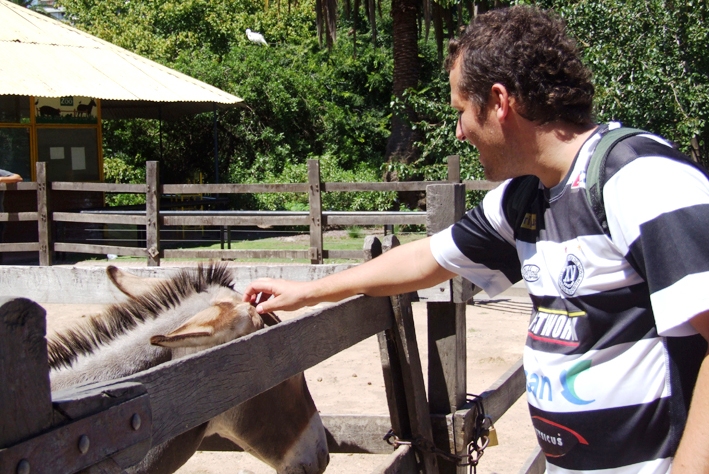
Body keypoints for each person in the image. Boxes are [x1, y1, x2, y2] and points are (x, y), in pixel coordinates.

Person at [243, 6, 709, 473]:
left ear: (500, 101)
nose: (461, 132)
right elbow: (427, 259)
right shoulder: (527, 196)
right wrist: (308, 293)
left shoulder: (639, 179)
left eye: (462, 111)